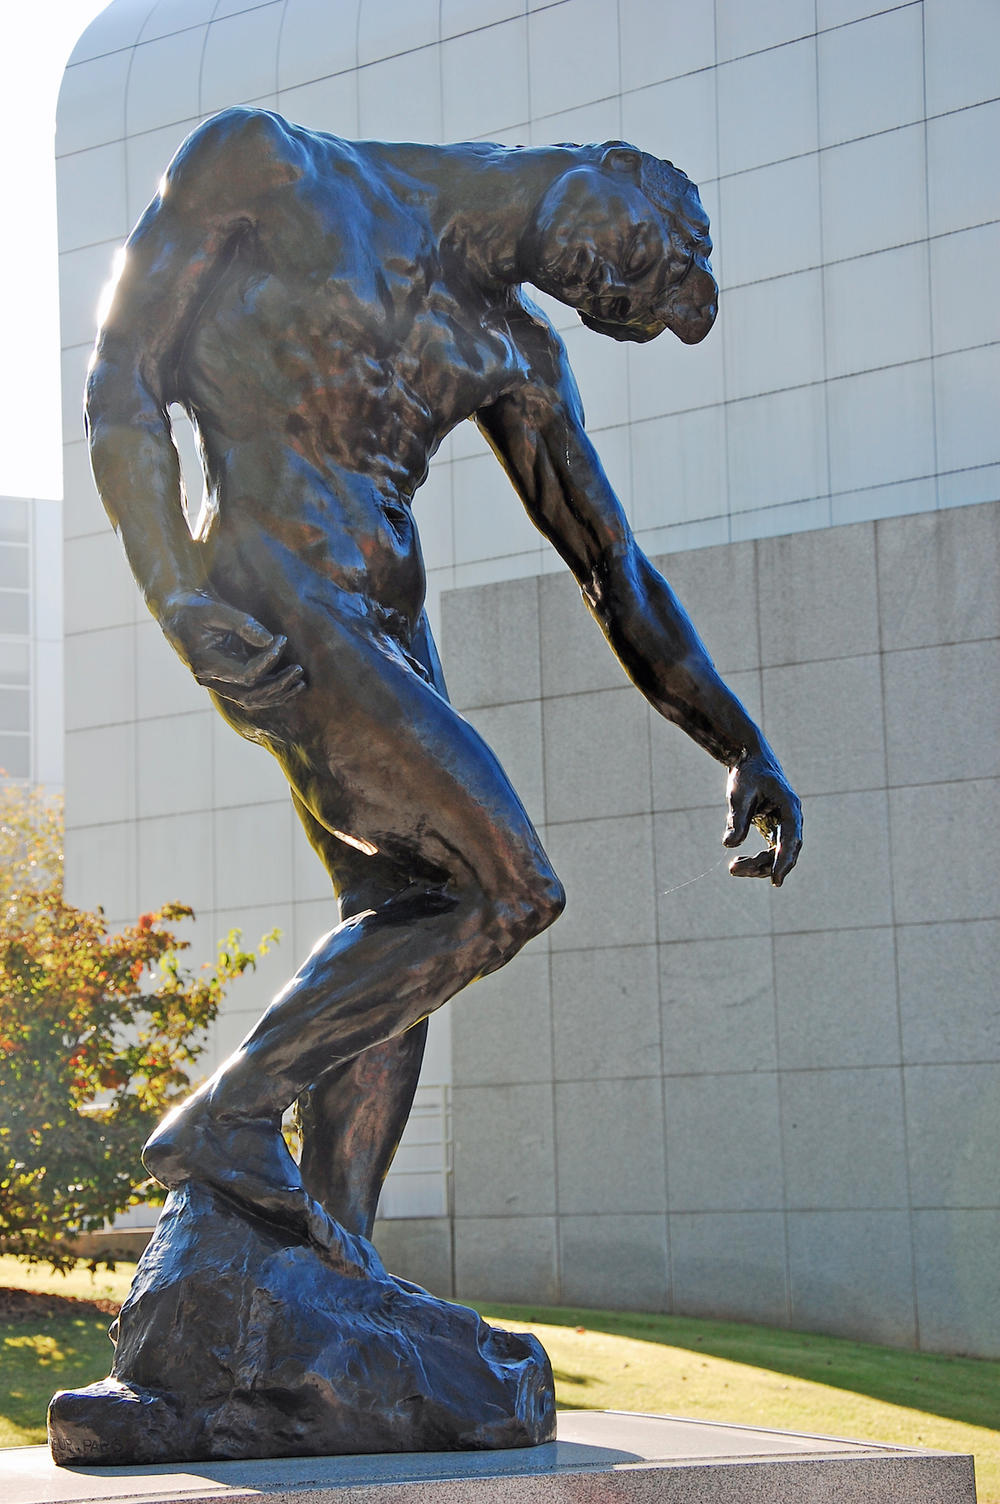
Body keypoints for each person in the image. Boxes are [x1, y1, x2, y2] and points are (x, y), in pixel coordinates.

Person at [86, 107, 802, 1253]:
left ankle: (334, 1252)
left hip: (388, 628)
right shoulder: (269, 167)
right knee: (506, 887)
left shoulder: (518, 351)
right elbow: (122, 380)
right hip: (279, 594)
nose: (622, 287)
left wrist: (738, 743)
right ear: (606, 161)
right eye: (647, 249)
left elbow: (611, 568)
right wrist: (176, 591)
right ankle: (228, 1111)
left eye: (634, 296)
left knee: (406, 918)